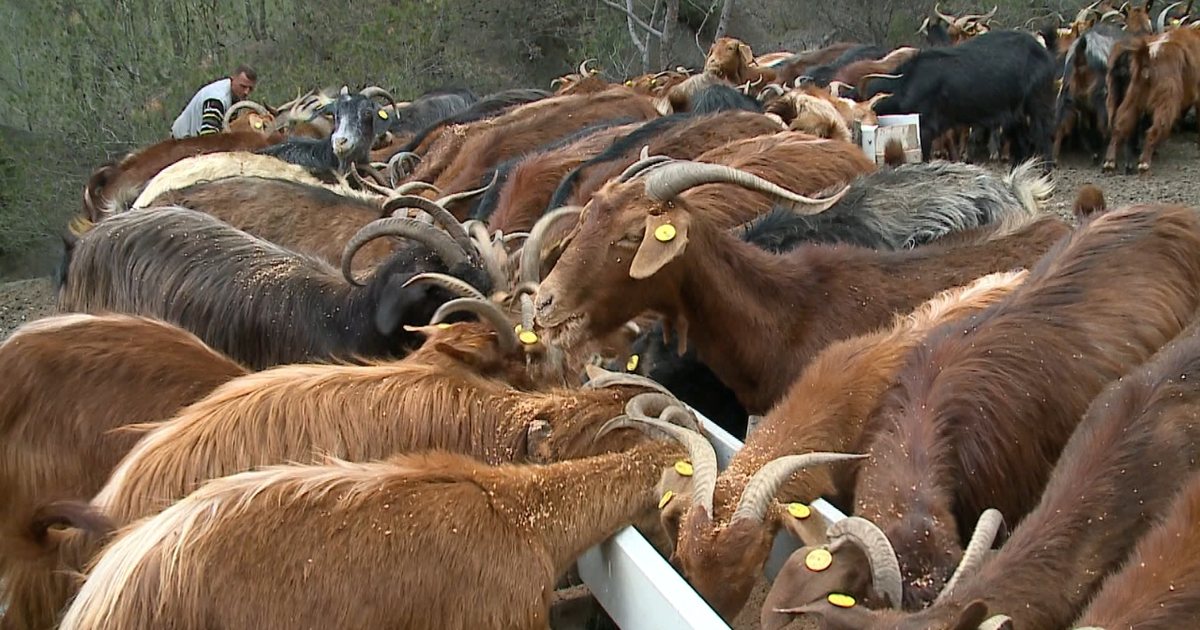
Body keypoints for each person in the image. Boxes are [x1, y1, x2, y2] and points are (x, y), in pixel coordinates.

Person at [170, 65, 258, 139]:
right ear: (232, 79)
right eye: (243, 86)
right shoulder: (217, 100)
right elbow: (209, 137)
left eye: (250, 88)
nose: (246, 92)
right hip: (182, 141)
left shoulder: (234, 95)